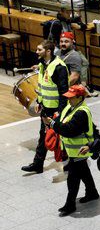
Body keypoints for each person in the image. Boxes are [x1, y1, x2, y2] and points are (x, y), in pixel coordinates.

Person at [45, 85, 98, 216]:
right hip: (73, 150)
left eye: (71, 97)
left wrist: (52, 124)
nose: (68, 100)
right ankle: (92, 192)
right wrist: (54, 121)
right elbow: (61, 121)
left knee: (73, 178)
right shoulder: (70, 107)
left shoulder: (82, 112)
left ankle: (70, 204)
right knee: (84, 171)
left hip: (81, 150)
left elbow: (68, 130)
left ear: (80, 97)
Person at [21, 40, 69, 174]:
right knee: (43, 135)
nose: (36, 52)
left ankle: (69, 164)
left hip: (56, 110)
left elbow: (64, 92)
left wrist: (60, 112)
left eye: (39, 50)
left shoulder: (59, 67)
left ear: (48, 51)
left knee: (61, 137)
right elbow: (43, 88)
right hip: (46, 108)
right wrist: (40, 103)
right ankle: (38, 164)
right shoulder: (43, 65)